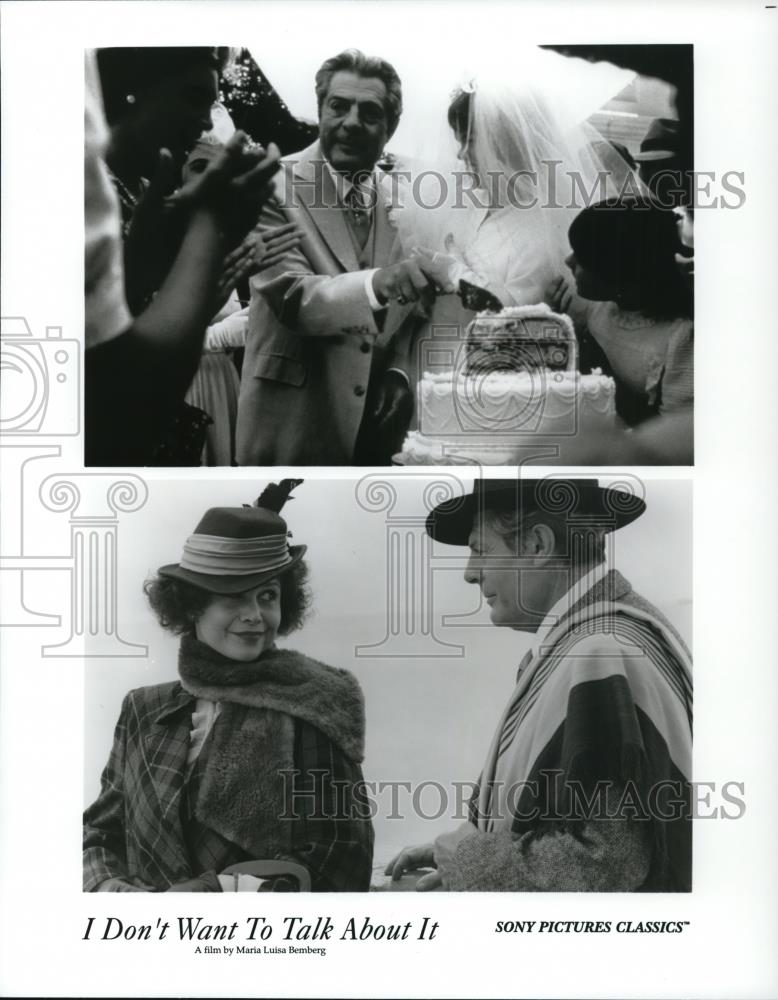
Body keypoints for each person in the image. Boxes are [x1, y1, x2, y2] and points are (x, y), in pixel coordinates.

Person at [387, 478, 692, 892]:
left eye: (479, 549)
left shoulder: (601, 652)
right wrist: (463, 851)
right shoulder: (594, 639)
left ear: (536, 546)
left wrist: (471, 861)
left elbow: (608, 863)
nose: (469, 573)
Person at [83, 481, 374, 892]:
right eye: (234, 597)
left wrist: (216, 895)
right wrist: (110, 891)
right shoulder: (142, 709)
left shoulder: (316, 705)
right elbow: (99, 834)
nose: (255, 615)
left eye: (267, 595)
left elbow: (344, 859)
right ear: (192, 605)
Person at [386, 47, 639, 396]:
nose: (461, 154)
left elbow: (523, 323)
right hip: (429, 371)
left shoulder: (545, 225)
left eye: (469, 141)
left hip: (489, 390)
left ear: (502, 141)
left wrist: (453, 275)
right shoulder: (470, 206)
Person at [85, 49, 282, 466]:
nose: (208, 121)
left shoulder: (139, 189)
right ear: (130, 92)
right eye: (193, 98)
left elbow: (126, 308)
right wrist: (210, 228)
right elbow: (121, 390)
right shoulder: (83, 189)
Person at [236, 48, 432, 466]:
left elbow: (414, 313)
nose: (351, 123)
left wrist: (399, 373)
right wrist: (377, 283)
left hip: (376, 435)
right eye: (338, 107)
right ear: (320, 111)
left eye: (370, 112)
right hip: (292, 424)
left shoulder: (406, 200)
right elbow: (292, 297)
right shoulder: (271, 185)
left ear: (389, 128)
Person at [548, 197, 694, 426]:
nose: (568, 261)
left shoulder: (681, 338)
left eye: (583, 259)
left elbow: (676, 433)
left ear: (622, 280)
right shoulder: (600, 305)